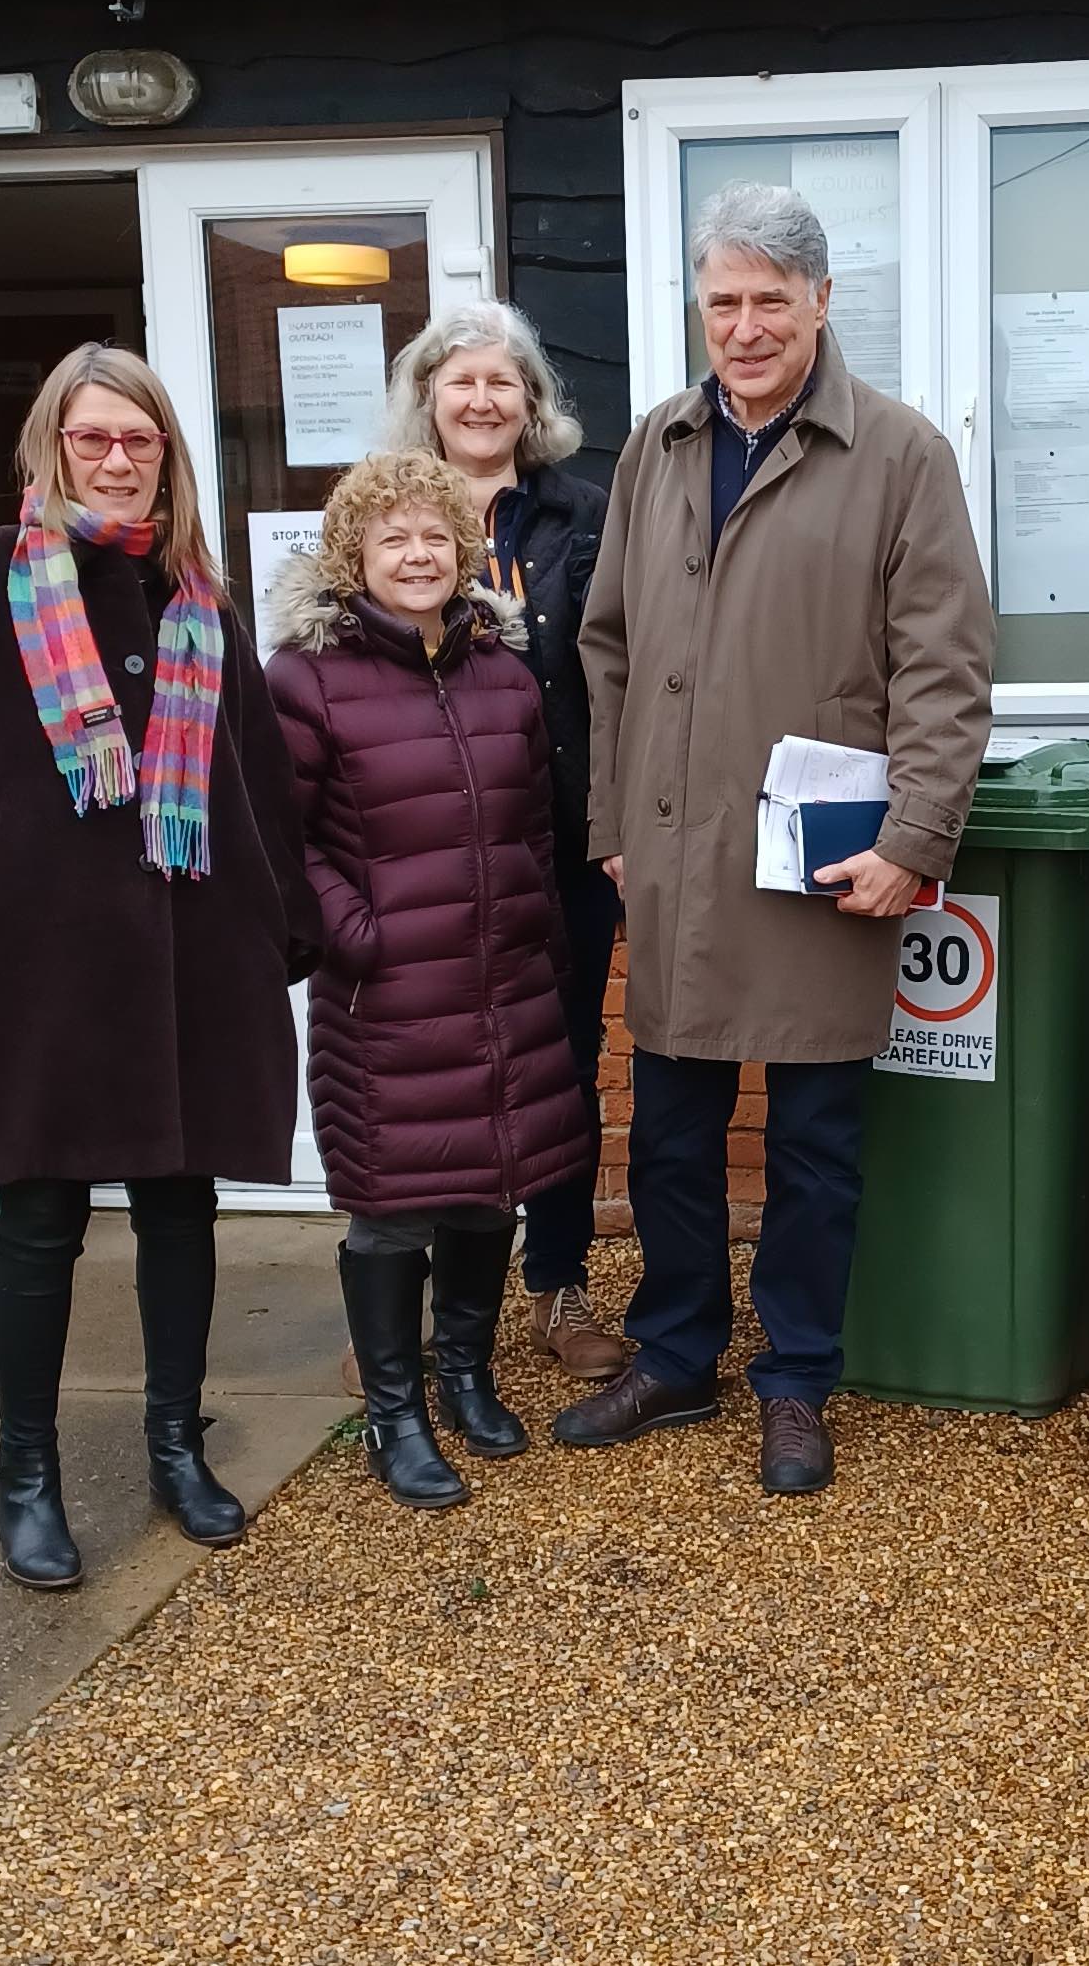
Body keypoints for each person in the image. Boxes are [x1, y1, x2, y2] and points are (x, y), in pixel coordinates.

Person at [0, 343, 317, 1589]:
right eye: (92, 438)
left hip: (189, 961)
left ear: (168, 457)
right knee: (41, 1217)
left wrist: (277, 932)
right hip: (37, 974)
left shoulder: (199, 603)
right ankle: (29, 1471)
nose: (117, 461)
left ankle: (175, 1443)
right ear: (48, 447)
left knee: (181, 1208)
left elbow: (258, 782)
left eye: (140, 440)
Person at [565, 180, 995, 1496]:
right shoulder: (657, 446)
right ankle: (675, 1354)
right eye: (721, 302)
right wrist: (611, 827)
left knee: (813, 1146)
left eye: (768, 300)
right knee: (671, 1135)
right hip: (677, 855)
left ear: (820, 302)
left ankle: (796, 1378)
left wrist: (918, 837)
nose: (743, 328)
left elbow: (944, 665)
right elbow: (608, 646)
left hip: (821, 858)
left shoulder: (900, 455)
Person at [265, 450, 590, 1508]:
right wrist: (359, 933)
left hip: (503, 984)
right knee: (396, 1207)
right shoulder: (307, 678)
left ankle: (467, 1376)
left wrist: (538, 933)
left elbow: (536, 828)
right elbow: (284, 839)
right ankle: (394, 1414)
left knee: (491, 1187)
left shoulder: (501, 671)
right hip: (389, 994)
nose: (417, 554)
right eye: (392, 536)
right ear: (355, 554)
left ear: (465, 551)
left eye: (435, 536)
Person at [381, 301, 629, 1382]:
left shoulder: (586, 515)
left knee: (561, 1062)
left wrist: (619, 820)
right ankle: (432, 1308)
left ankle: (560, 1282)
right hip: (428, 844)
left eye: (503, 381)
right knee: (436, 1069)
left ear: (532, 404)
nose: (482, 400)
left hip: (564, 843)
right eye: (460, 380)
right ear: (427, 399)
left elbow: (617, 672)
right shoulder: (387, 516)